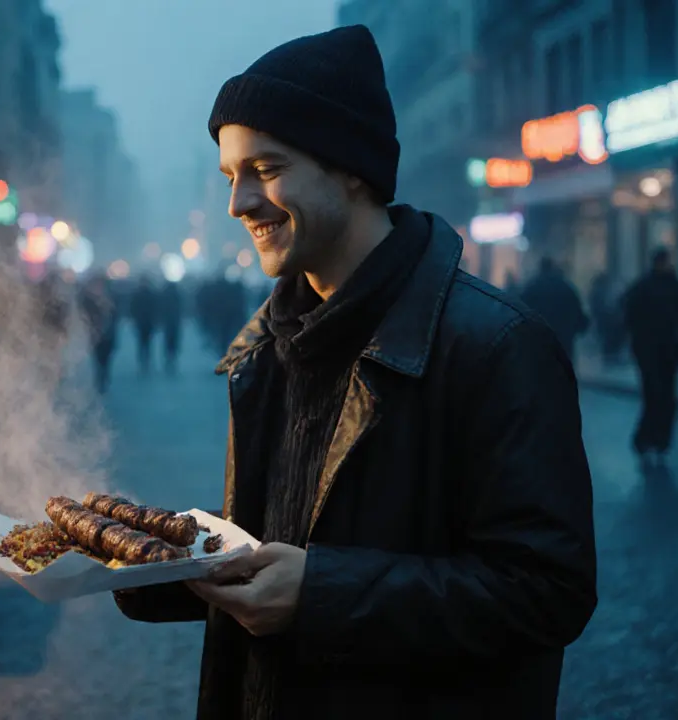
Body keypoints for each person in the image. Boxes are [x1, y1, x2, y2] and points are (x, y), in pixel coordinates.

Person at [113, 26, 596, 719]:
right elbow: (277, 548)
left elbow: (548, 590)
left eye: (267, 169)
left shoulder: (499, 345)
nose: (238, 204)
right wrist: (149, 564)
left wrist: (320, 594)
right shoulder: (268, 346)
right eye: (230, 176)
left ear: (351, 167)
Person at [622, 248, 678, 466]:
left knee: (659, 395)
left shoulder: (647, 286)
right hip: (658, 350)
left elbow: (628, 315)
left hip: (655, 350)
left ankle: (651, 439)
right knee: (659, 395)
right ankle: (652, 439)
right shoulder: (669, 286)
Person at [521, 256, 590, 363]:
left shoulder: (531, 287)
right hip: (563, 337)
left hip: (538, 336)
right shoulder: (565, 286)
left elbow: (521, 310)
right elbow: (576, 310)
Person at [79, 275, 118, 393]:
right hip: (96, 335)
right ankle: (100, 377)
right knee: (97, 358)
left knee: (106, 358)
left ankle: (104, 375)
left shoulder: (111, 299)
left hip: (108, 335)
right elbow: (85, 316)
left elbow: (115, 316)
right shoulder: (88, 300)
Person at [129, 275, 157, 375]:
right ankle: (145, 360)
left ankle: (144, 360)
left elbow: (132, 308)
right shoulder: (151, 294)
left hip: (143, 322)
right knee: (145, 343)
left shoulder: (137, 294)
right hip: (145, 322)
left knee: (143, 342)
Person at [159, 281, 183, 374]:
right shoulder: (178, 295)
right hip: (175, 321)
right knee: (174, 340)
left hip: (167, 321)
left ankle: (168, 357)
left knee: (167, 340)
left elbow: (161, 307)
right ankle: (173, 357)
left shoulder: (164, 295)